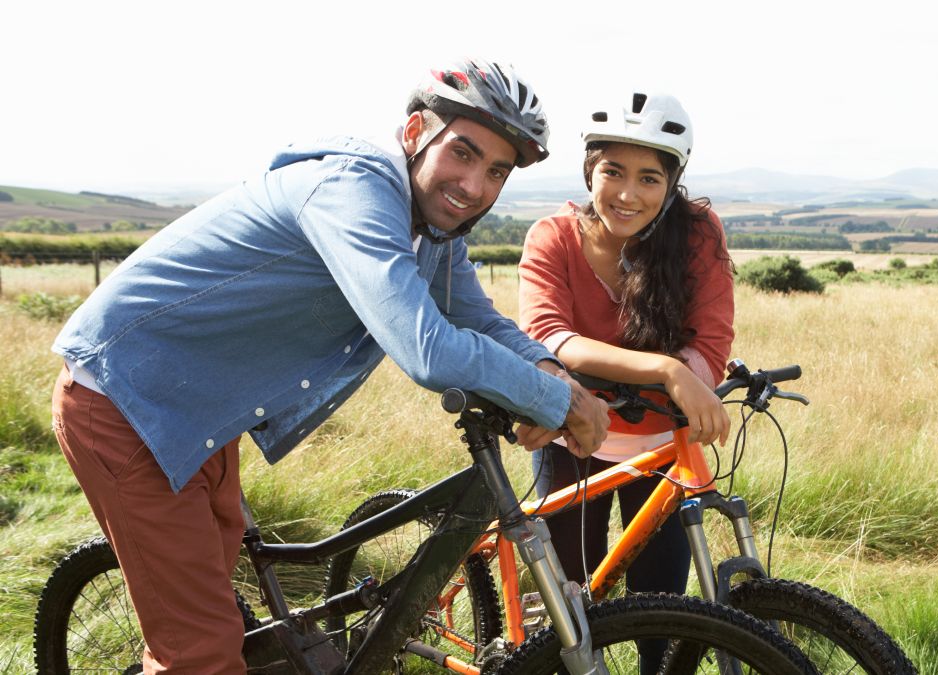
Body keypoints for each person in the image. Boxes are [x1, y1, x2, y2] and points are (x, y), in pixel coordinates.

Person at [49, 59, 609, 674]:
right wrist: (556, 403)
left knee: (221, 619)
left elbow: (478, 318)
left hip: (198, 409)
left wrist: (550, 372)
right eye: (464, 153)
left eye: (496, 171)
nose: (474, 186)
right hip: (124, 397)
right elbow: (425, 347)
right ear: (416, 131)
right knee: (201, 652)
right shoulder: (356, 190)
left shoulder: (431, 232)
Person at [517, 92, 735, 671]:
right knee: (568, 613)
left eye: (649, 178)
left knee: (659, 612)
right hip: (573, 441)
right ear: (591, 170)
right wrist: (666, 371)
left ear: (671, 184)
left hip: (661, 449)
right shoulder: (553, 236)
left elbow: (711, 339)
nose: (627, 194)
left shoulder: (698, 233)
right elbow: (548, 336)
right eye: (612, 171)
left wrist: (690, 374)